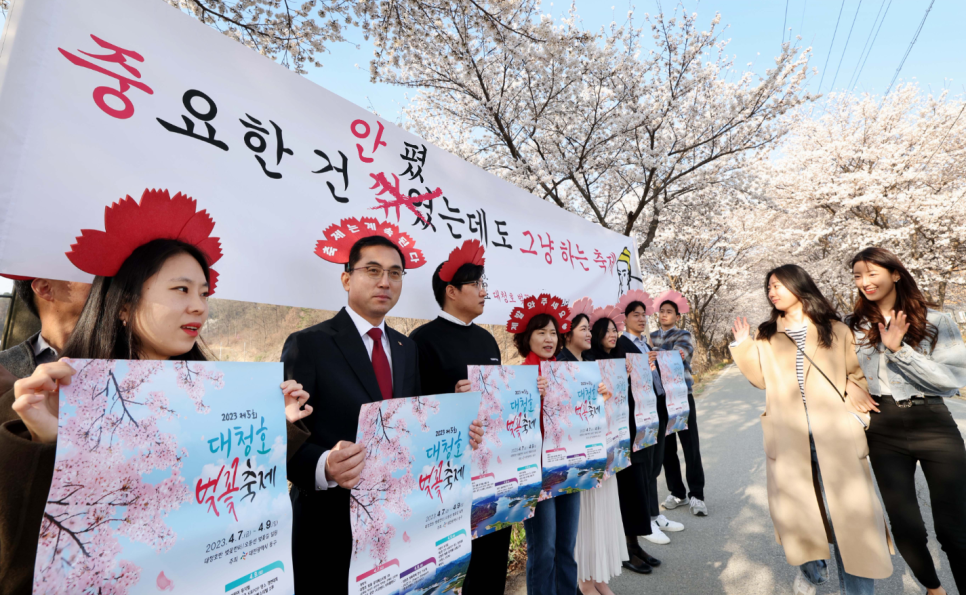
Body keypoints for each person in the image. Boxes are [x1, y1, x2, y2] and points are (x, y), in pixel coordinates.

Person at [1, 189, 313, 595]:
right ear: (124, 305)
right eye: (181, 290)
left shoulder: (216, 394)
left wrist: (273, 425)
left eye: (204, 293)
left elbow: (227, 490)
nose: (200, 306)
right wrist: (49, 441)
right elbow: (28, 552)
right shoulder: (55, 396)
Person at [282, 219, 484, 594]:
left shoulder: (406, 349)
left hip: (395, 518)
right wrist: (323, 465)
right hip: (329, 521)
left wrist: (457, 430)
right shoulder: (309, 344)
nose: (384, 282)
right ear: (346, 279)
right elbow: (286, 437)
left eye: (395, 273)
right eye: (372, 271)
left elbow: (415, 425)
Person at [730, 264, 893, 595]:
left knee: (851, 519)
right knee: (799, 512)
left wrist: (855, 414)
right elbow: (759, 379)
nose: (772, 292)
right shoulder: (766, 334)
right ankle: (812, 568)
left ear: (799, 286)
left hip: (836, 433)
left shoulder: (835, 329)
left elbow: (856, 375)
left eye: (778, 285)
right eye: (769, 288)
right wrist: (742, 346)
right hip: (789, 435)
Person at [847, 247, 966, 595]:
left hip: (932, 422)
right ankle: (934, 589)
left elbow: (952, 380)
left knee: (955, 527)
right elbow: (826, 371)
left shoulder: (937, 321)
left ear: (895, 273)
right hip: (882, 427)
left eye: (872, 272)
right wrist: (845, 387)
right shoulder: (851, 328)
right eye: (858, 275)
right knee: (906, 526)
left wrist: (900, 350)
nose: (865, 281)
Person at [410, 239, 504, 595]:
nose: (484, 293)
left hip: (493, 469)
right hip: (446, 474)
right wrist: (451, 402)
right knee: (449, 568)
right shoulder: (421, 341)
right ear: (451, 290)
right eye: (477, 285)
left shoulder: (488, 340)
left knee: (491, 559)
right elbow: (412, 410)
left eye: (485, 285)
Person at [507, 293, 578, 595]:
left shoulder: (567, 373)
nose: (549, 339)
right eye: (541, 332)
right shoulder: (516, 376)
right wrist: (529, 394)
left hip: (567, 464)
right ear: (527, 337)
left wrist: (597, 394)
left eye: (553, 332)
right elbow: (509, 427)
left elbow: (581, 419)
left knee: (566, 544)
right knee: (544, 547)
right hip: (535, 470)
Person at [617, 291, 684, 546]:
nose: (642, 319)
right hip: (639, 412)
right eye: (636, 315)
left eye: (644, 315)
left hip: (657, 406)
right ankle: (645, 520)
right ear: (625, 319)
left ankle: (655, 515)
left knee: (656, 462)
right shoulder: (622, 344)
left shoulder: (646, 343)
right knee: (643, 466)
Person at [570, 310, 628, 595]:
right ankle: (584, 579)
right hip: (579, 454)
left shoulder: (592, 362)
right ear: (568, 333)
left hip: (601, 449)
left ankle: (597, 575)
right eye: (583, 328)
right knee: (584, 518)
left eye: (589, 329)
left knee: (600, 515)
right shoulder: (560, 365)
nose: (589, 333)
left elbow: (607, 405)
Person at [0, 277, 91, 423]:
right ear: (45, 288)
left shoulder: (135, 356)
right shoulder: (5, 365)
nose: (107, 279)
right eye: (87, 271)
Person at [651, 290, 707, 517]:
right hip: (661, 398)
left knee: (690, 446)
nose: (664, 315)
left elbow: (678, 356)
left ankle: (697, 495)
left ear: (676, 316)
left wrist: (652, 354)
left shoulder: (683, 334)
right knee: (667, 450)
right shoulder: (651, 336)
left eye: (669, 312)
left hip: (682, 396)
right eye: (662, 311)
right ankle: (677, 492)